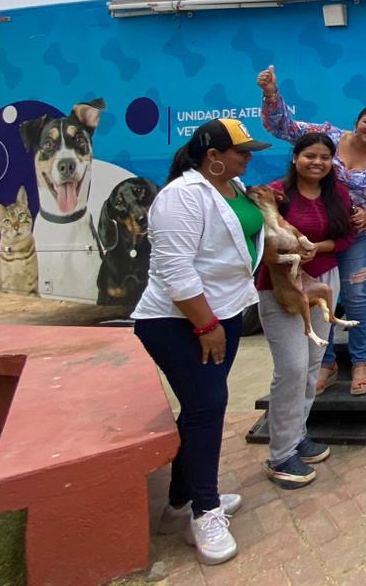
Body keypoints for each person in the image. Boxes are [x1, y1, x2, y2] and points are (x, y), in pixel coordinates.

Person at [131, 118, 271, 567]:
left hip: (223, 313)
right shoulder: (181, 196)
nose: (248, 158)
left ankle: (178, 503)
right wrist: (206, 326)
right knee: (208, 407)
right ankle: (205, 513)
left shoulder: (234, 187)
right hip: (179, 321)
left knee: (199, 409)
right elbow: (175, 270)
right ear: (213, 156)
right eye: (241, 151)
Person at [257, 65, 366, 396]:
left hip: (357, 238)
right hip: (317, 233)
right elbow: (284, 127)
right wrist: (271, 94)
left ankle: (360, 362)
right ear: (357, 122)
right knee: (321, 296)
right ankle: (327, 362)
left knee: (356, 296)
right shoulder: (328, 137)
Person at [256, 132, 355, 489]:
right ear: (295, 157)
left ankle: (296, 436)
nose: (317, 163)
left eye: (325, 157)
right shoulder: (274, 193)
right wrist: (293, 250)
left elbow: (346, 237)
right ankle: (280, 456)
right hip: (282, 284)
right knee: (292, 368)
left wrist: (317, 246)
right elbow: (262, 237)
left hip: (325, 279)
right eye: (310, 155)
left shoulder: (338, 194)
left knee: (313, 363)